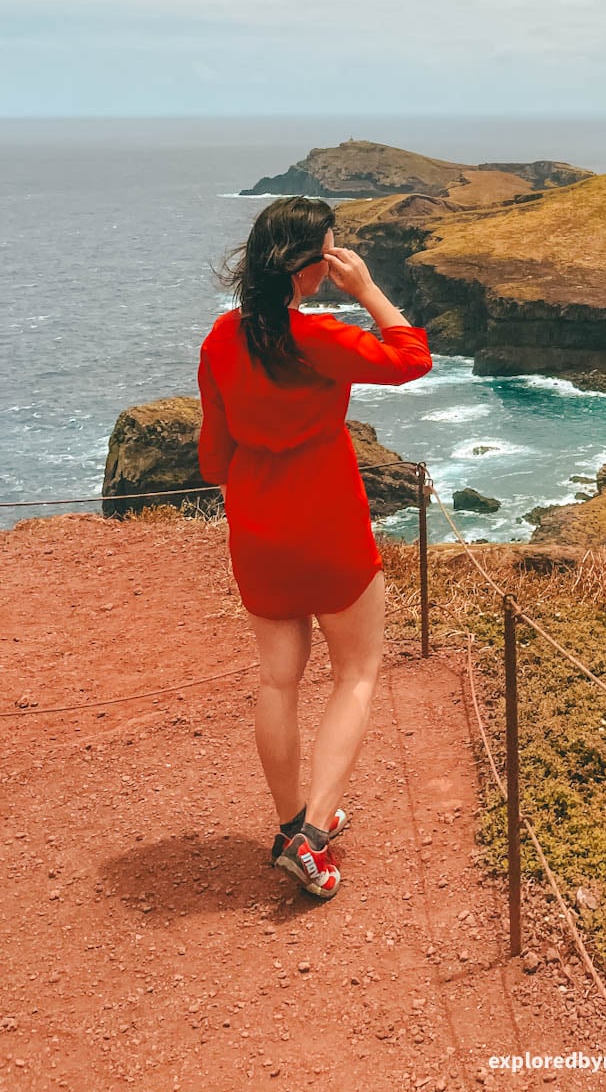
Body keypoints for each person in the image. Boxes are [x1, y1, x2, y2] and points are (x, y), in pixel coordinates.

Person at [197, 196, 432, 900]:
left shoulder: (220, 338)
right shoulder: (318, 337)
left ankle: (288, 826)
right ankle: (314, 835)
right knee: (356, 673)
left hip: (259, 529)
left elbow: (213, 461)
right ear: (310, 264)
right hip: (329, 525)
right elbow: (410, 358)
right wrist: (367, 290)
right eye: (330, 252)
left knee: (279, 680)